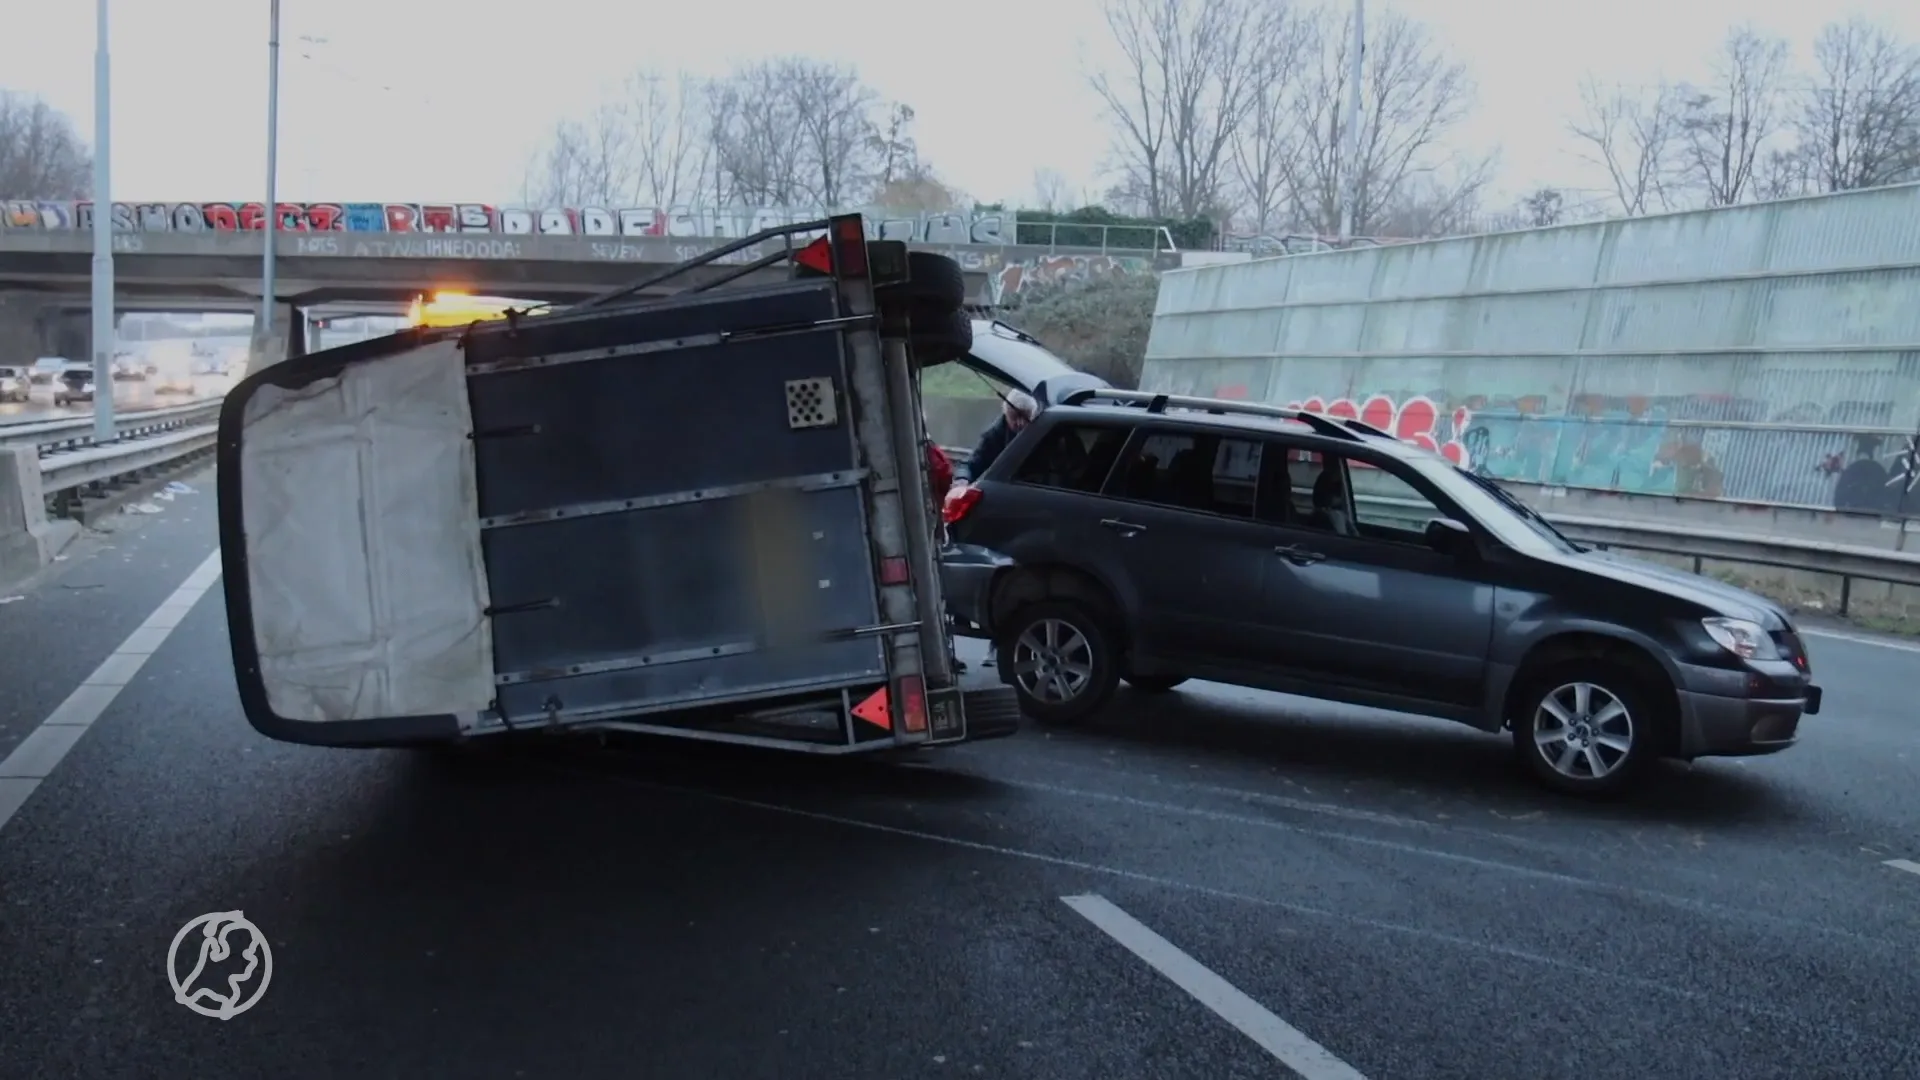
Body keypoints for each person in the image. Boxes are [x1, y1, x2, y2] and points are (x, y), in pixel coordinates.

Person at [958, 389, 1039, 483]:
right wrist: (962, 478)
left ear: (1033, 414)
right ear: (1006, 413)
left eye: (1026, 417)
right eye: (1014, 417)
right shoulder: (993, 437)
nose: (1020, 423)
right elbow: (970, 464)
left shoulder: (1042, 430)